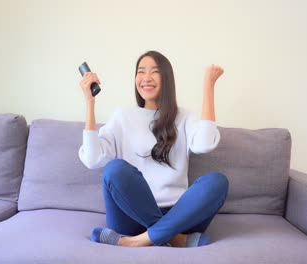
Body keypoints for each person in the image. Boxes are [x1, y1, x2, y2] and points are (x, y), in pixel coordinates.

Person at [77, 50, 229, 248]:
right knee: (115, 169)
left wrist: (209, 86)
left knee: (217, 182)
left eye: (154, 72)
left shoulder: (183, 117)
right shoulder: (123, 116)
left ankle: (136, 242)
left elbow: (206, 144)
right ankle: (173, 238)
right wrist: (90, 103)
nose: (146, 78)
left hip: (179, 214)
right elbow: (92, 159)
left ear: (166, 79)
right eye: (141, 72)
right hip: (131, 216)